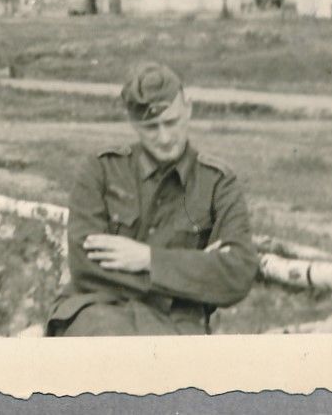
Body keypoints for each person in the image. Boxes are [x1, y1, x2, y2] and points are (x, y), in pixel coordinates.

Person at [46, 62, 258, 336]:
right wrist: (192, 270)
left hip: (176, 326)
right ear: (133, 123)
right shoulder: (101, 170)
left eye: (171, 122)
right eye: (151, 127)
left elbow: (238, 273)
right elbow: (85, 266)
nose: (165, 137)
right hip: (95, 315)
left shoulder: (218, 183)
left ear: (188, 108)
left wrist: (148, 259)